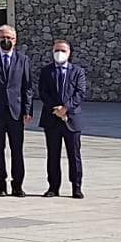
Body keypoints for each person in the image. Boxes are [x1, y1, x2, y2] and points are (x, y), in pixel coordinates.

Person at [0, 24, 33, 197]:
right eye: (2, 38)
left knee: (17, 150)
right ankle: (1, 184)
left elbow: (27, 88)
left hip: (16, 113)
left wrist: (28, 110)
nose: (6, 40)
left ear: (15, 40)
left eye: (9, 38)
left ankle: (17, 185)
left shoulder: (22, 60)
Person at [37, 38, 87, 200]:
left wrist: (65, 108)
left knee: (74, 155)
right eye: (56, 50)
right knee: (53, 154)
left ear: (69, 53)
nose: (59, 54)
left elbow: (80, 93)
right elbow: (43, 92)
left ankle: (76, 187)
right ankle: (53, 187)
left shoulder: (77, 71)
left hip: (71, 119)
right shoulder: (46, 71)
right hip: (52, 119)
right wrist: (56, 109)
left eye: (63, 51)